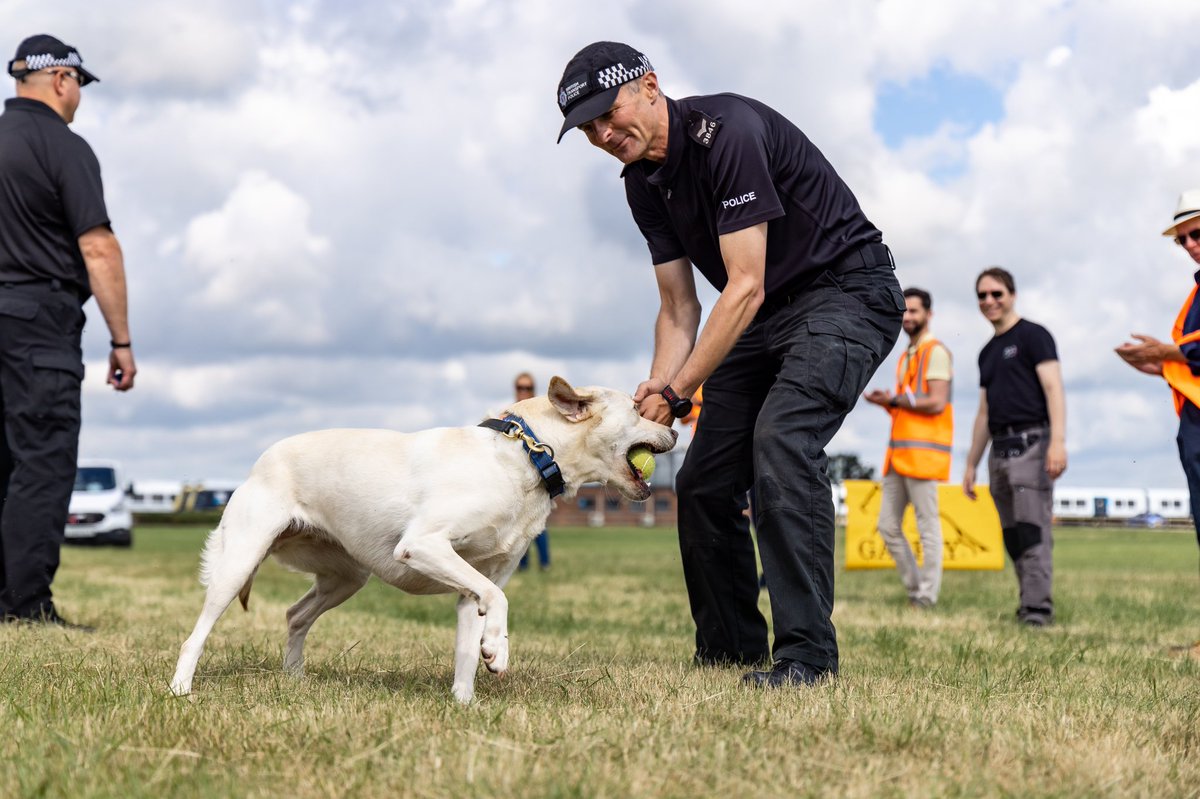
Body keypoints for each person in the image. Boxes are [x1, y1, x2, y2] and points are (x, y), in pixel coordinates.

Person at [556, 42, 903, 687]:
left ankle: (806, 658)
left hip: (845, 293)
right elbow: (678, 308)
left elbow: (743, 284)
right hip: (764, 315)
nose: (603, 134)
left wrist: (681, 391)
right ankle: (729, 650)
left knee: (783, 439)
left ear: (649, 86)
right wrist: (658, 396)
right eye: (587, 129)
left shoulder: (728, 133)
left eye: (608, 113)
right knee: (703, 482)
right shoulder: (642, 185)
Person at [0, 35, 136, 628]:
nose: (78, 95)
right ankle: (24, 606)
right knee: (41, 460)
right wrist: (121, 340)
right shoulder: (63, 146)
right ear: (60, 79)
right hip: (38, 325)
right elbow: (98, 247)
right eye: (79, 83)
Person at [962, 267, 1065, 627]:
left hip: (1032, 444)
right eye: (982, 295)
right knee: (1012, 534)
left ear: (1012, 294)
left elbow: (1054, 389)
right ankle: (1027, 602)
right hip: (998, 450)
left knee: (1032, 529)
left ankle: (1038, 610)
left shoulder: (1035, 336)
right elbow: (983, 412)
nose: (989, 301)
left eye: (996, 293)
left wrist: (1057, 443)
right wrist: (971, 464)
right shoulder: (987, 352)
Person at [1115, 190, 1200, 550]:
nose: (1190, 245)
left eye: (1196, 234)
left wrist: (1167, 352)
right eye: (1182, 239)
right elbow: (1190, 361)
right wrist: (1160, 364)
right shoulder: (1194, 297)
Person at [863, 287, 952, 608]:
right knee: (887, 526)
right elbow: (909, 404)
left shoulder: (935, 352)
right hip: (898, 456)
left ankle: (926, 595)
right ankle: (917, 590)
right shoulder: (906, 355)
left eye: (914, 311)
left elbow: (936, 402)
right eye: (904, 311)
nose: (907, 317)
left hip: (923, 456)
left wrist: (895, 400)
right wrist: (888, 403)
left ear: (929, 314)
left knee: (928, 527)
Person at [513, 372, 550, 571]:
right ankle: (522, 564)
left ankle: (545, 563)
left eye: (527, 388)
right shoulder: (508, 414)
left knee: (538, 524)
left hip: (538, 478)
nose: (523, 391)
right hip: (516, 479)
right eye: (520, 387)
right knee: (518, 525)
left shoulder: (541, 415)